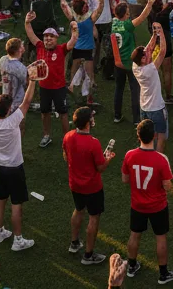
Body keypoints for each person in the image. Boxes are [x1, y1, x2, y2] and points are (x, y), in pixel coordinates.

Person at [0, 60, 36, 252]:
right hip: (14, 168)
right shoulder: (13, 121)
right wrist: (33, 81)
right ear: (8, 110)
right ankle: (18, 240)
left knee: (0, 199)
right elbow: (27, 102)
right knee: (16, 204)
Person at [123, 118, 173, 285]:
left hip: (137, 204)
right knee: (160, 238)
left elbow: (125, 179)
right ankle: (163, 273)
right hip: (158, 206)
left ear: (138, 136)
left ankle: (131, 266)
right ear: (154, 136)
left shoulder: (129, 155)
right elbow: (167, 186)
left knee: (135, 234)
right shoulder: (161, 159)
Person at [63, 106, 114, 266]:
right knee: (94, 217)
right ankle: (88, 255)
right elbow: (100, 168)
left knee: (78, 210)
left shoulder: (68, 136)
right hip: (92, 187)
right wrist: (108, 159)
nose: (93, 119)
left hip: (75, 185)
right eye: (91, 118)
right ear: (87, 123)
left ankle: (74, 243)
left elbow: (65, 156)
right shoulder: (93, 143)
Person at [23, 12, 78, 148]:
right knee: (45, 112)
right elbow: (30, 34)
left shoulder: (61, 49)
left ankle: (67, 138)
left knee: (63, 113)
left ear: (56, 39)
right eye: (46, 36)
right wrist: (27, 22)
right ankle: (46, 135)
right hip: (44, 88)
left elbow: (72, 42)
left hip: (59, 88)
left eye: (51, 37)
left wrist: (75, 30)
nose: (48, 39)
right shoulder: (40, 46)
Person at [133, 21, 170, 152]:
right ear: (142, 59)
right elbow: (163, 51)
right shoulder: (151, 69)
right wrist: (162, 33)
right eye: (145, 54)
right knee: (160, 137)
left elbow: (149, 48)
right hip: (157, 108)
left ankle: (147, 156)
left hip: (144, 107)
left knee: (148, 137)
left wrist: (155, 34)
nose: (148, 52)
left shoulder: (135, 66)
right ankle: (157, 159)